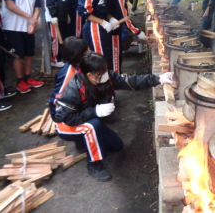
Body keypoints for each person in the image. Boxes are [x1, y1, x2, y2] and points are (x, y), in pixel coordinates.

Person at [54, 51, 174, 181]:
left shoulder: (105, 78)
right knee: (93, 126)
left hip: (84, 118)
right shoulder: (74, 89)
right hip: (65, 124)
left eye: (106, 70)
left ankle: (82, 142)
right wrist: (95, 111)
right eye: (101, 73)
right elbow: (68, 118)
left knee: (116, 146)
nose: (106, 74)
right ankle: (94, 165)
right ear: (89, 75)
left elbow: (130, 81)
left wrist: (158, 79)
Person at [1, 0, 44, 94]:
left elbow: (37, 8)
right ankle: (20, 81)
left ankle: (28, 77)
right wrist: (29, 17)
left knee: (29, 53)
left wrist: (33, 21)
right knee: (17, 54)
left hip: (28, 27)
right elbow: (10, 4)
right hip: (13, 27)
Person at [78, 0, 121, 72]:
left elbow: (103, 7)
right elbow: (83, 11)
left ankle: (106, 82)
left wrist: (111, 18)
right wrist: (102, 22)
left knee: (106, 56)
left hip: (103, 27)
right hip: (94, 28)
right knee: (99, 58)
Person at [110, 0, 146, 72]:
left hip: (115, 23)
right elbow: (124, 17)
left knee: (115, 54)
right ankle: (117, 77)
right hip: (114, 27)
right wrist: (138, 31)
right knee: (115, 55)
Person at [48, 37, 88, 122]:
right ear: (80, 54)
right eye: (87, 52)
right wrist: (57, 116)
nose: (90, 53)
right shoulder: (68, 74)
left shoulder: (79, 65)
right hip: (67, 113)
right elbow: (56, 97)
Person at [43, 0, 68, 68]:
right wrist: (53, 15)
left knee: (60, 37)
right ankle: (55, 59)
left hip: (60, 15)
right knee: (56, 38)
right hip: (53, 17)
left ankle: (59, 57)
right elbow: (49, 1)